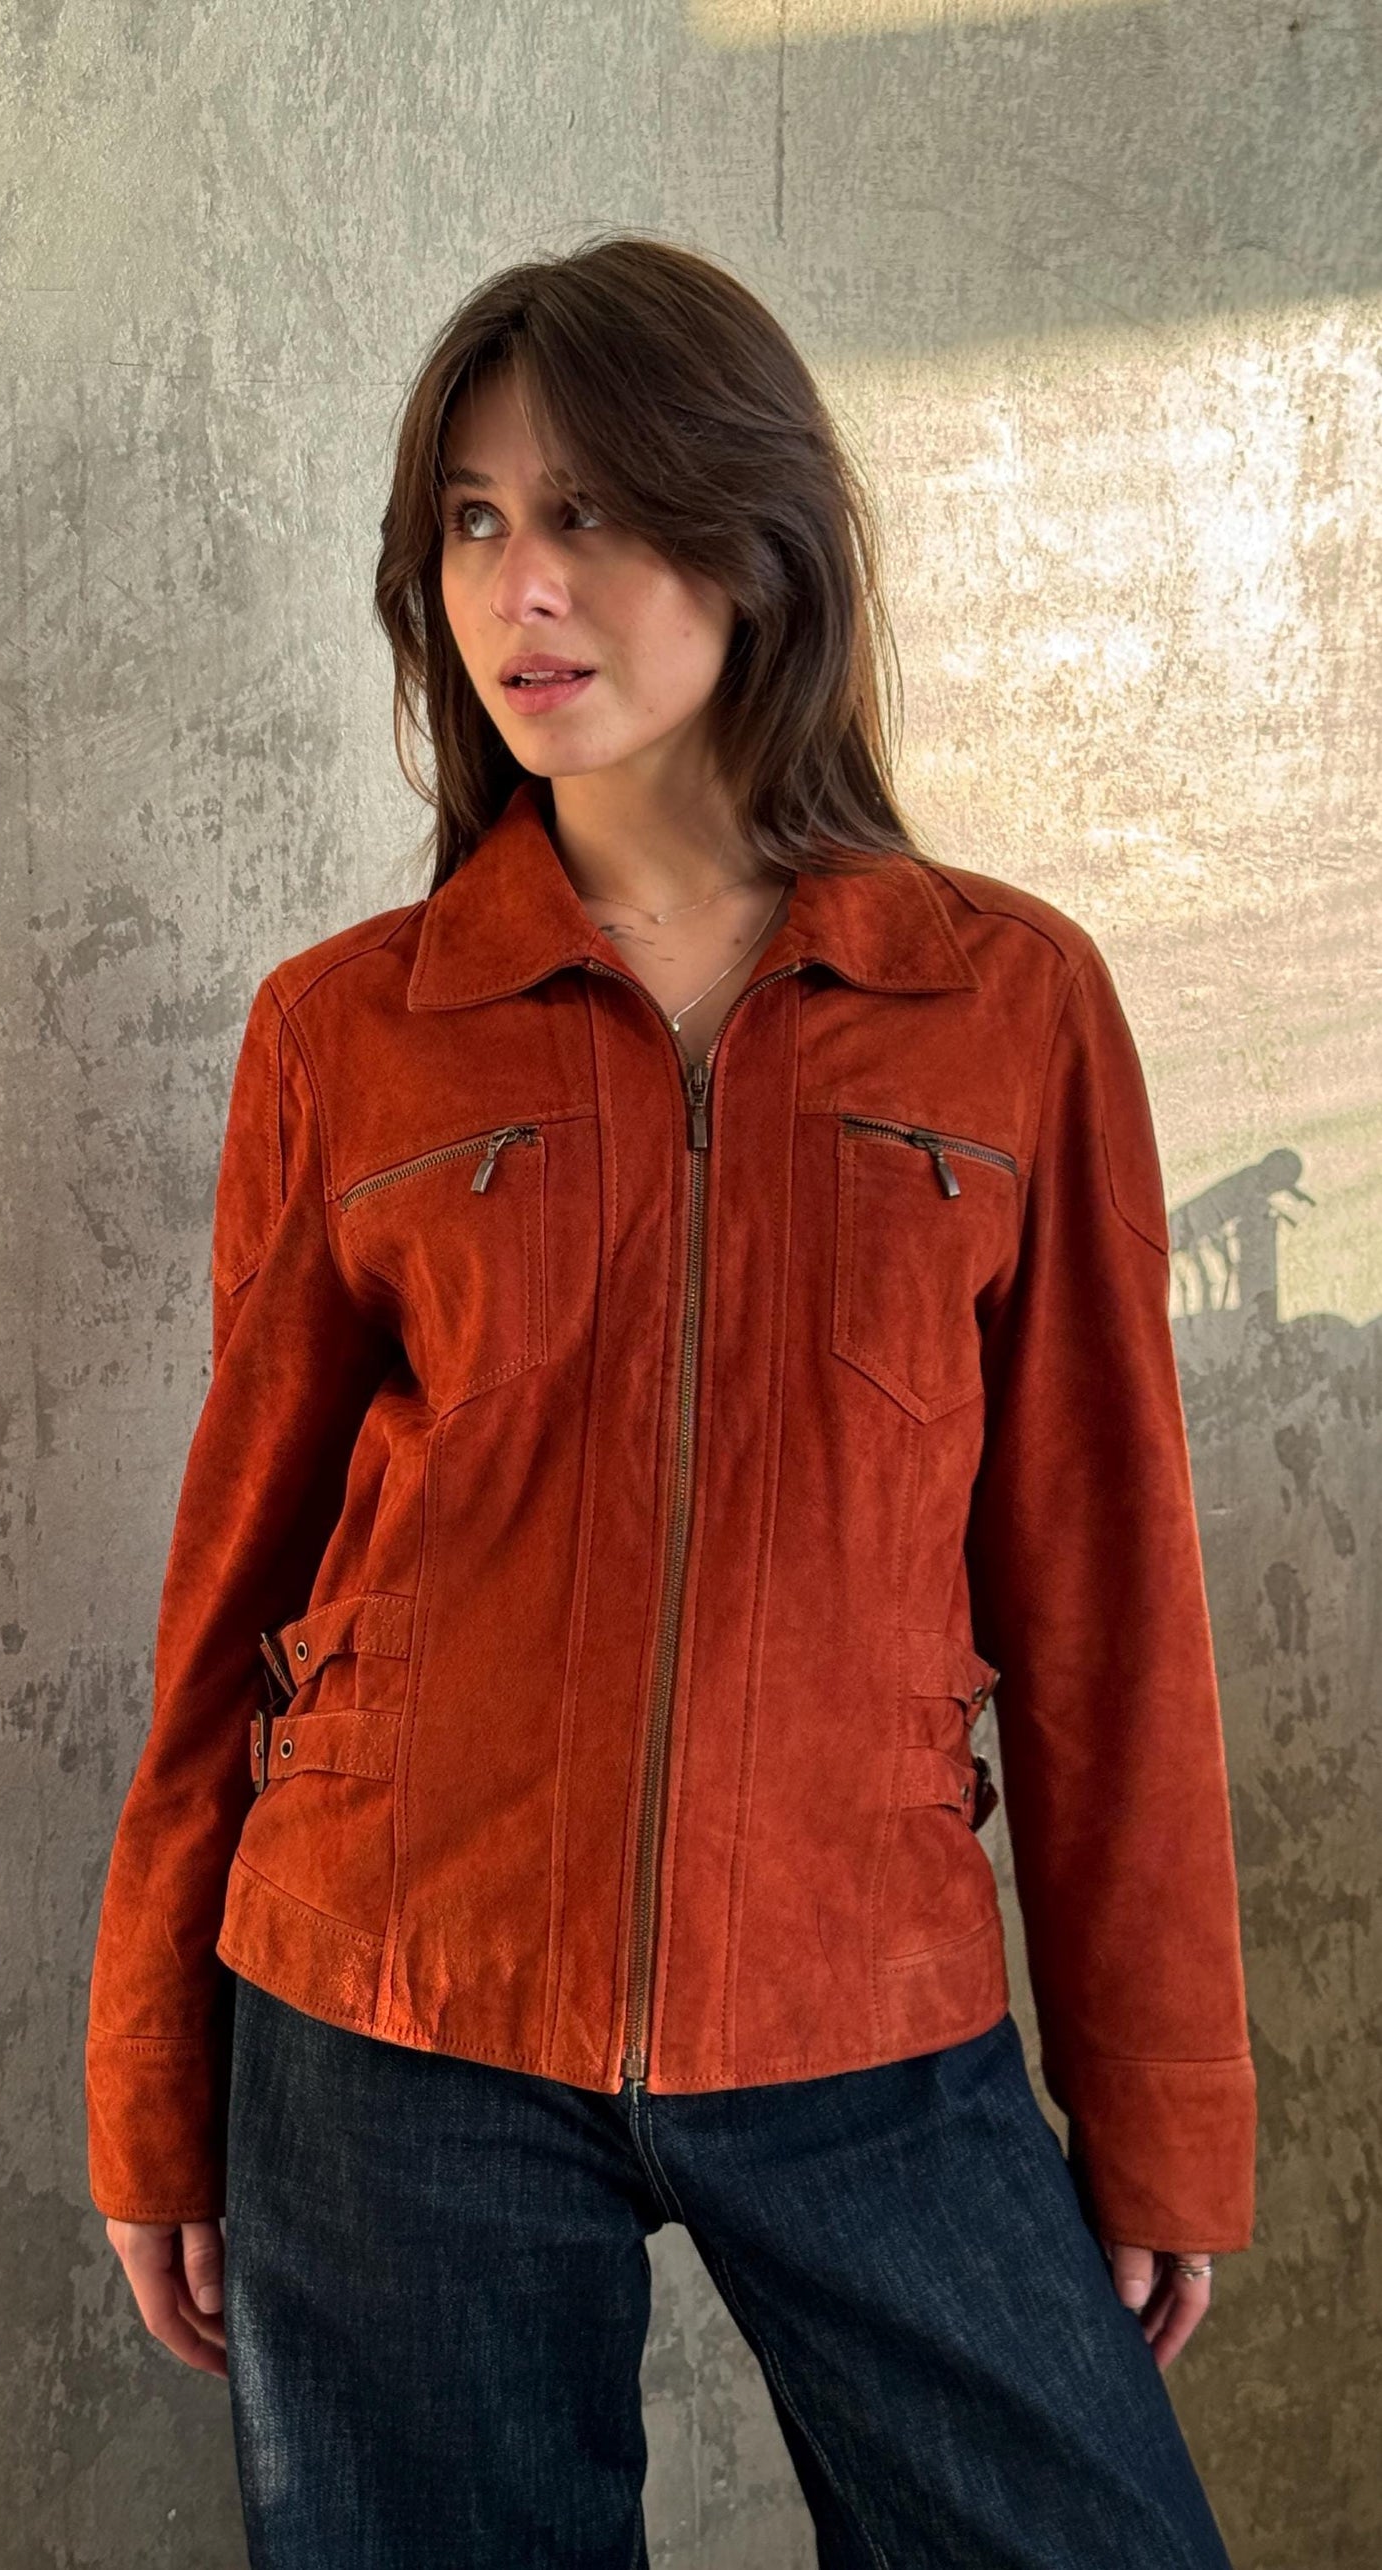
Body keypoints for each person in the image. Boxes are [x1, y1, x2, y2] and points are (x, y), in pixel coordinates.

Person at [85, 234, 1257, 2568]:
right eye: (479, 520)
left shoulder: (1006, 1007)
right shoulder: (355, 1028)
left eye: (598, 512)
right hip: (386, 2012)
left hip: (868, 2003)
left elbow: (1106, 1584)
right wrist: (149, 2081)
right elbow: (237, 1574)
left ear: (756, 538)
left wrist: (1161, 2107)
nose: (530, 586)